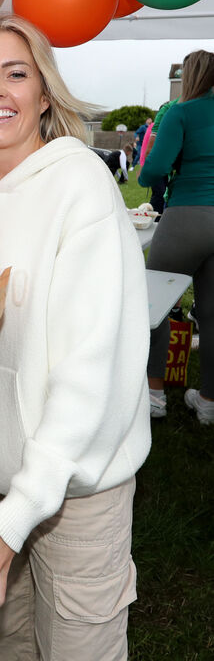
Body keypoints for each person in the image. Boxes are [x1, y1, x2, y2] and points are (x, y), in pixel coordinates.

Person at [0, 15, 152, 661]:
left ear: (43, 93)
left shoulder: (81, 185)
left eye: (16, 73)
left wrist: (29, 501)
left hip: (78, 494)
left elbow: (93, 368)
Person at [139, 50, 214, 424]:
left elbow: (153, 168)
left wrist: (146, 177)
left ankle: (155, 395)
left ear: (190, 77)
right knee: (211, 314)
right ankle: (208, 401)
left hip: (187, 213)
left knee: (154, 305)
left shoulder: (181, 112)